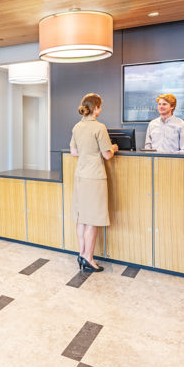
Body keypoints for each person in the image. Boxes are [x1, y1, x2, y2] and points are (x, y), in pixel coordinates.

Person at [70, 93, 118, 273]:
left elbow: (74, 152)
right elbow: (107, 155)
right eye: (100, 106)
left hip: (80, 176)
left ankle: (82, 254)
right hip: (95, 177)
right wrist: (113, 148)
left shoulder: (77, 126)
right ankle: (89, 258)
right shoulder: (99, 127)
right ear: (96, 108)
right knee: (92, 220)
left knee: (82, 218)